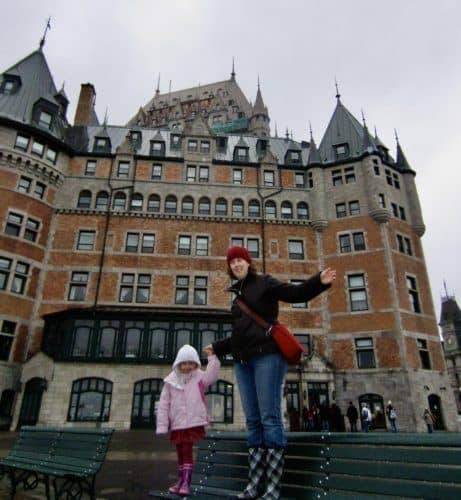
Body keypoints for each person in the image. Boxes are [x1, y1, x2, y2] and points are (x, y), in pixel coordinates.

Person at [209, 246, 336, 500]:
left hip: (268, 356)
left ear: (248, 262)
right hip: (243, 361)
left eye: (240, 260)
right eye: (232, 261)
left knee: (269, 418)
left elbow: (295, 292)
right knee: (253, 421)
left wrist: (317, 283)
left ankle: (272, 488)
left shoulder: (264, 283)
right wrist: (218, 347)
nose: (236, 264)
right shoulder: (236, 297)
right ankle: (254, 484)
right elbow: (238, 335)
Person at [154, 344, 220, 496]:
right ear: (178, 364)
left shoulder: (199, 377)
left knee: (186, 449)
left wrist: (212, 357)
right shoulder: (170, 381)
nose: (188, 366)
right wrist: (162, 425)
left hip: (191, 422)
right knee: (180, 451)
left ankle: (186, 481)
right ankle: (181, 479)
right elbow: (164, 404)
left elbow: (212, 376)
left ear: (196, 363)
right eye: (184, 363)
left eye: (191, 363)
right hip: (177, 423)